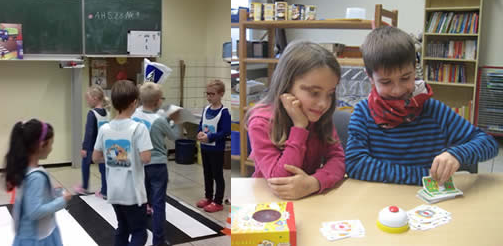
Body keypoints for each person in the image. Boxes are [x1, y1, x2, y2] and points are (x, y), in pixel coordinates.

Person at [345, 27, 500, 185]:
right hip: (380, 202)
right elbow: (355, 164)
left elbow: (488, 143)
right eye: (386, 82)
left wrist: (457, 154)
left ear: (415, 68)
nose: (397, 90)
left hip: (425, 204)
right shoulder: (363, 112)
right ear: (370, 77)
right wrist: (424, 175)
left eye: (406, 78)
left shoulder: (433, 110)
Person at [249, 42, 348, 200]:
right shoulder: (261, 122)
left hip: (308, 197)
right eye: (314, 93)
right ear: (287, 86)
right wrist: (300, 127)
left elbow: (339, 159)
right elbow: (281, 179)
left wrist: (313, 183)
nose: (324, 103)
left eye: (330, 93)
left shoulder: (320, 116)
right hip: (271, 201)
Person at [94, 80, 152, 246]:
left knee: (122, 228)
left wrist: (116, 157)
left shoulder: (105, 128)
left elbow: (95, 157)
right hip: (132, 192)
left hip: (114, 190)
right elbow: (146, 158)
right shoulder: (139, 128)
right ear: (134, 102)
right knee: (140, 232)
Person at [5, 118, 67, 246]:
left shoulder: (23, 168)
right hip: (37, 238)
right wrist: (63, 201)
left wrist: (52, 193)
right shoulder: (36, 177)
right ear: (42, 145)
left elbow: (30, 197)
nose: (51, 148)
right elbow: (35, 211)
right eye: (51, 144)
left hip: (28, 234)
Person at [132, 82, 177, 245]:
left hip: (140, 165)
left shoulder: (134, 115)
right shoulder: (161, 118)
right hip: (158, 166)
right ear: (158, 101)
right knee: (158, 205)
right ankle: (158, 241)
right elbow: (175, 136)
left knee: (142, 202)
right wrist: (176, 121)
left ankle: (139, 236)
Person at [197, 80, 231, 211]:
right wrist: (199, 132)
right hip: (205, 147)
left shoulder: (224, 112)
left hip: (216, 149)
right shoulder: (206, 109)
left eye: (212, 94)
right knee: (207, 173)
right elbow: (202, 123)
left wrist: (210, 137)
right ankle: (208, 197)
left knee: (217, 174)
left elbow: (225, 131)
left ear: (221, 94)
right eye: (208, 94)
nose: (209, 97)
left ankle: (218, 201)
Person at [79, 87, 108, 196]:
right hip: (104, 146)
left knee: (85, 165)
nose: (87, 101)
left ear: (95, 98)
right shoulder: (106, 112)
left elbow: (89, 132)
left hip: (92, 147)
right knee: (103, 169)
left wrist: (84, 148)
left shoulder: (92, 113)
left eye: (88, 99)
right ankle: (105, 191)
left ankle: (84, 187)